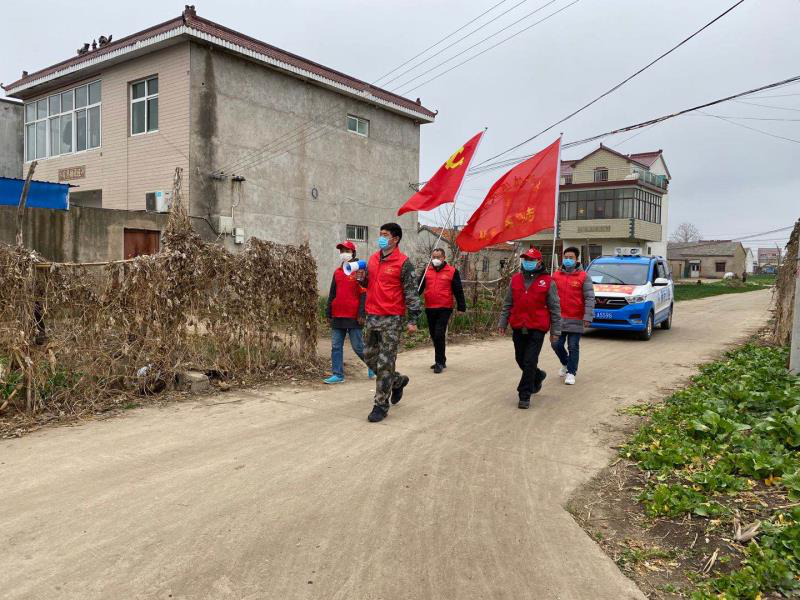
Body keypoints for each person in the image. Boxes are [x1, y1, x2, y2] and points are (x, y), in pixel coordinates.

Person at [358, 223, 422, 423]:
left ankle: (380, 405)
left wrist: (413, 319)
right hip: (372, 316)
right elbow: (369, 283)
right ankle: (397, 381)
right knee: (368, 356)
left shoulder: (404, 263)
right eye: (380, 234)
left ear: (395, 239)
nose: (381, 238)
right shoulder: (373, 258)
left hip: (392, 319)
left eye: (385, 235)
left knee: (385, 362)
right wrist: (361, 279)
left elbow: (412, 293)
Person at [497, 247, 561, 409]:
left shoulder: (548, 282)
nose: (528, 263)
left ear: (539, 262)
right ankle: (538, 375)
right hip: (518, 326)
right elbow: (507, 304)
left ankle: (524, 394)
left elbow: (555, 308)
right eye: (526, 260)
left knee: (530, 360)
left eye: (531, 260)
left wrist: (555, 331)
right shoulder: (515, 280)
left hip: (537, 327)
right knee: (520, 359)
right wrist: (502, 323)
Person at [323, 241, 374, 384]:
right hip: (338, 314)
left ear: (353, 253)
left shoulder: (360, 271)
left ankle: (373, 365)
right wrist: (328, 312)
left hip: (354, 316)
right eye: (341, 251)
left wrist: (362, 313)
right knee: (336, 346)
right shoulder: (337, 272)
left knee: (358, 346)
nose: (343, 253)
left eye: (346, 250)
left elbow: (364, 294)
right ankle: (338, 374)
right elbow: (332, 293)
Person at [551, 246, 595, 386]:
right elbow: (548, 296)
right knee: (555, 344)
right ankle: (566, 363)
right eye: (566, 257)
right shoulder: (556, 276)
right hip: (558, 318)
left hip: (576, 318)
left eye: (571, 258)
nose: (568, 260)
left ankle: (571, 372)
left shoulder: (584, 277)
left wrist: (588, 316)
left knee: (573, 346)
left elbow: (589, 298)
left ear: (577, 260)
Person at [418, 248, 467, 373]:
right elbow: (418, 287)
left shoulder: (451, 271)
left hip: (444, 307)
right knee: (434, 335)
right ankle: (442, 359)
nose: (436, 259)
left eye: (438, 257)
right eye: (433, 257)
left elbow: (458, 290)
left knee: (439, 334)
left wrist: (461, 306)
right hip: (430, 307)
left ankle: (439, 362)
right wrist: (411, 300)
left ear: (444, 258)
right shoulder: (427, 271)